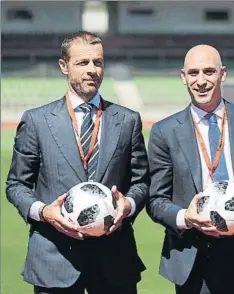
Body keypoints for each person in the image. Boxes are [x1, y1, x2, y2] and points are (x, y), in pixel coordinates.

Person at [6, 31, 149, 294]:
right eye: (83, 63)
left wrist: (127, 205)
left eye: (98, 62)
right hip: (54, 259)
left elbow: (141, 182)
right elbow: (16, 185)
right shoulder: (37, 121)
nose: (92, 70)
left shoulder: (128, 120)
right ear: (64, 66)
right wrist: (43, 211)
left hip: (114, 260)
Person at [146, 44, 234, 294]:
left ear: (223, 74)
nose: (201, 81)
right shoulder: (164, 132)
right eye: (193, 73)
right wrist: (185, 217)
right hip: (192, 255)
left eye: (209, 72)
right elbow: (155, 200)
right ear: (183, 77)